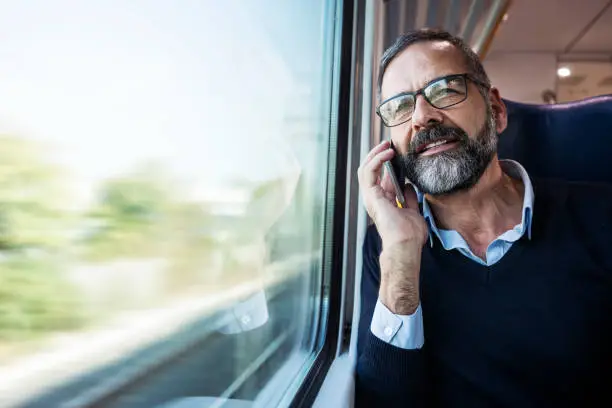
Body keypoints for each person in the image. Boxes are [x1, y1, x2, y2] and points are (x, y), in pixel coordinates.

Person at [355, 28, 612, 408]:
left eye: (444, 90)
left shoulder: (601, 214)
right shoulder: (388, 247)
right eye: (399, 107)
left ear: (496, 110)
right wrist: (401, 257)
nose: (422, 117)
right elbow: (383, 401)